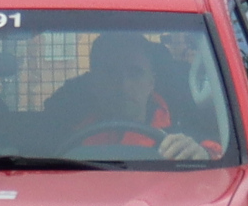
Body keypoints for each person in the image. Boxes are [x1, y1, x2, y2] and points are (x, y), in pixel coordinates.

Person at [47, 32, 220, 163]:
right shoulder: (65, 134)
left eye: (135, 73)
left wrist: (202, 155)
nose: (123, 85)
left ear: (151, 82)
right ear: (93, 82)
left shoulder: (184, 125)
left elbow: (225, 160)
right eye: (110, 73)